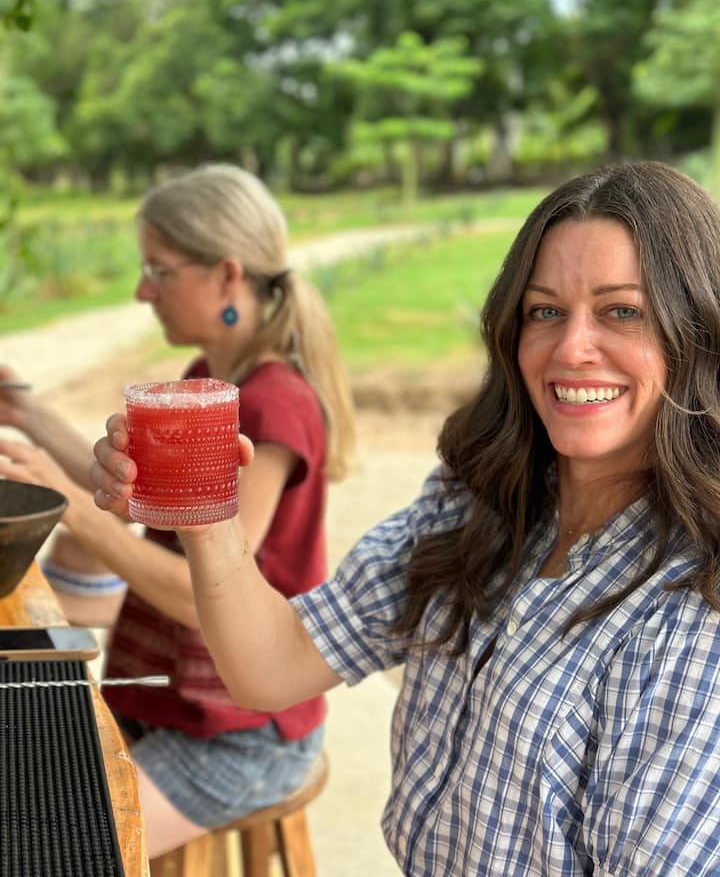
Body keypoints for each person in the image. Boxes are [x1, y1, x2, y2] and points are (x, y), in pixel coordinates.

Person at [91, 159, 720, 874]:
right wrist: (206, 524)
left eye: (622, 311)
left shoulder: (697, 609)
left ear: (698, 331)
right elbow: (272, 665)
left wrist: (72, 507)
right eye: (544, 311)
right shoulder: (475, 504)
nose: (572, 348)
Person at [0, 163, 356, 858]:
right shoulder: (208, 379)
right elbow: (132, 492)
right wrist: (29, 414)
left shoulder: (274, 404)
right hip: (175, 703)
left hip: (239, 737)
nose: (142, 291)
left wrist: (70, 507)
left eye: (157, 270)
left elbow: (204, 595)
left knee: (45, 845)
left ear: (227, 277)